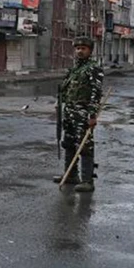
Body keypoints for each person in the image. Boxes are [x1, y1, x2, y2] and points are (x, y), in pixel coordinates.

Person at [55, 36, 104, 192]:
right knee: (69, 143)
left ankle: (87, 180)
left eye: (83, 48)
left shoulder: (93, 68)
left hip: (83, 113)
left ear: (90, 51)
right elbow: (66, 89)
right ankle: (70, 175)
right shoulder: (74, 69)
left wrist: (92, 115)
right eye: (77, 48)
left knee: (85, 145)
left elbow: (96, 93)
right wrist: (59, 103)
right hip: (69, 112)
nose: (80, 51)